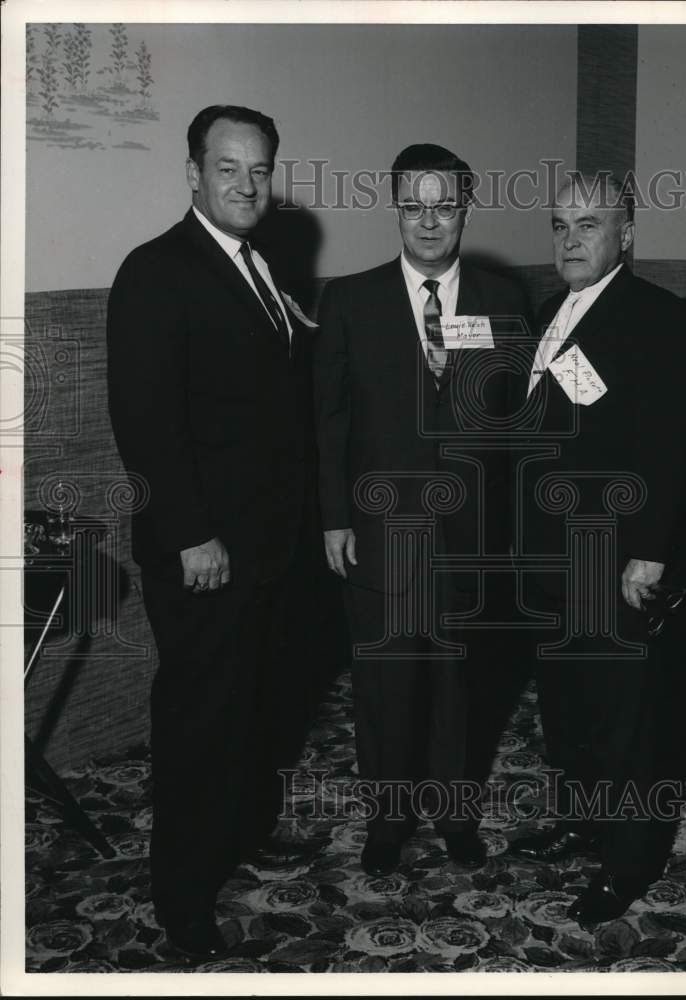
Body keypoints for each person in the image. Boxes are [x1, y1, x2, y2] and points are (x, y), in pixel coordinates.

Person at [107, 105, 320, 958]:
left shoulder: (258, 265)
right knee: (199, 723)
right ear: (192, 171)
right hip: (203, 552)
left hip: (268, 547)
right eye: (228, 167)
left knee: (258, 706)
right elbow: (145, 420)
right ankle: (184, 897)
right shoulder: (156, 270)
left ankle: (246, 830)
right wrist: (192, 533)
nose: (246, 184)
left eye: (260, 170)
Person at [314, 144, 527, 877]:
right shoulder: (349, 299)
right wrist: (333, 518)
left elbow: (525, 422)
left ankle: (456, 814)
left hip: (471, 539)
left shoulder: (504, 298)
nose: (430, 221)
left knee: (459, 685)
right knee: (385, 685)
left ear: (465, 208)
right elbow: (329, 420)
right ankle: (388, 818)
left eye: (444, 205)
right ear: (396, 210)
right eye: (414, 205)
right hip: (377, 534)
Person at [508, 172, 686, 924]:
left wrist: (648, 553)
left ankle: (630, 862)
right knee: (569, 705)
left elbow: (671, 444)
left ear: (628, 232)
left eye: (590, 224)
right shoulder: (553, 309)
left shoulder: (659, 317)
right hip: (550, 554)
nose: (570, 239)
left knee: (625, 716)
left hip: (617, 554)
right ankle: (584, 819)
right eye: (560, 224)